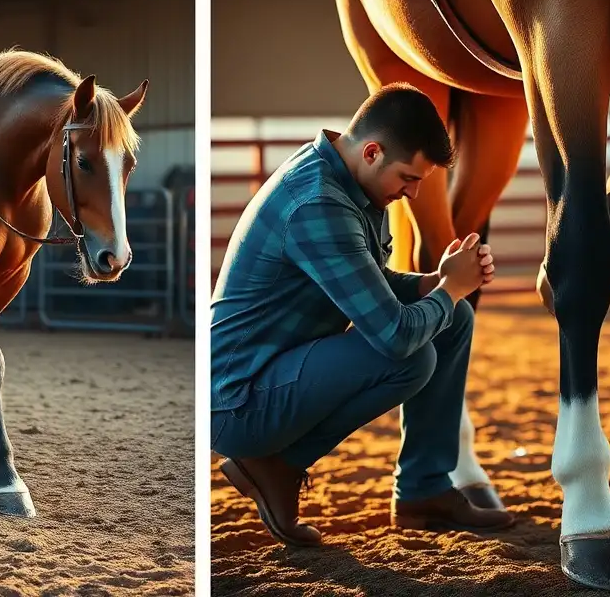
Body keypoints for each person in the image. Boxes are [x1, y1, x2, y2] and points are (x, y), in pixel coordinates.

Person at [209, 83, 515, 547]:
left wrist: (431, 283)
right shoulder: (318, 203)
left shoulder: (345, 181)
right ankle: (276, 465)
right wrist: (453, 288)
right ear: (372, 151)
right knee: (411, 357)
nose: (412, 194)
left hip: (276, 369)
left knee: (454, 320)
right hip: (239, 402)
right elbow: (393, 335)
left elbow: (365, 281)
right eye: (408, 178)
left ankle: (424, 490)